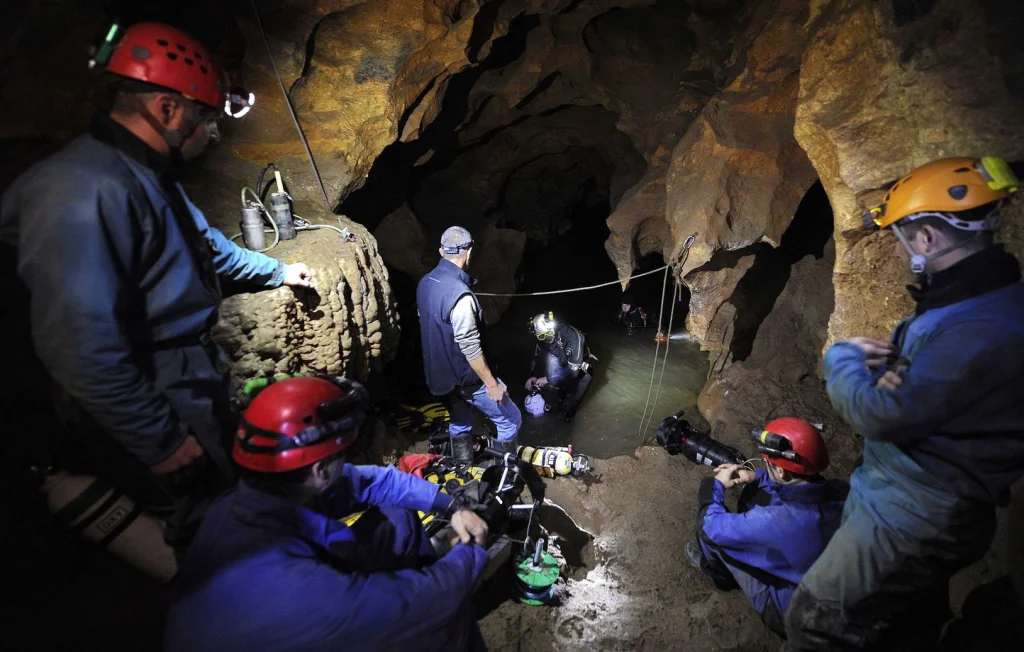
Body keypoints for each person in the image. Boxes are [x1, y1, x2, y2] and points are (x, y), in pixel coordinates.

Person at [0, 22, 314, 548]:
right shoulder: (80, 190)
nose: (214, 132)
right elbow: (76, 344)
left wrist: (279, 271)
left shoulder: (142, 176)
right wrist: (161, 439)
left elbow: (207, 247)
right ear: (169, 111)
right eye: (206, 116)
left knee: (237, 508)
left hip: (189, 374)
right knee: (208, 530)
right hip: (148, 385)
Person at [784, 157, 1024, 650]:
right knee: (903, 623)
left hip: (919, 510)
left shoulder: (978, 325)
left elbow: (881, 414)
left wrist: (843, 361)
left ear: (929, 239)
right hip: (911, 494)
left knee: (813, 620)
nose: (898, 254)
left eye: (900, 239)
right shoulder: (978, 303)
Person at [164, 375, 491, 652]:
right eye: (341, 451)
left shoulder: (252, 498)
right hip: (296, 617)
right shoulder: (305, 595)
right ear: (320, 469)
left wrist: (449, 505)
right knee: (445, 618)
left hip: (286, 603)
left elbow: (367, 481)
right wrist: (470, 549)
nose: (344, 458)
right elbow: (427, 599)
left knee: (399, 521)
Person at [686, 418, 848, 635]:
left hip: (797, 616)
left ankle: (719, 576)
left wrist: (714, 486)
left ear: (781, 472)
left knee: (715, 537)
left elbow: (711, 526)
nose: (768, 466)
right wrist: (757, 476)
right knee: (758, 493)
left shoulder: (774, 521)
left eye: (770, 465)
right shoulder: (843, 491)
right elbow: (797, 489)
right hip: (837, 591)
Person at [417, 226, 522, 462]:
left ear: (442, 251)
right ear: (468, 252)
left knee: (460, 420)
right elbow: (470, 346)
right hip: (465, 378)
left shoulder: (425, 283)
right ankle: (504, 478)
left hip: (439, 377)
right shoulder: (461, 295)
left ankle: (462, 466)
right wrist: (491, 384)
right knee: (510, 420)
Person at [526, 312, 594, 422]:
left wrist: (547, 379)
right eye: (541, 336)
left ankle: (567, 424)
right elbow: (537, 356)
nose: (546, 338)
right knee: (559, 398)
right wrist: (533, 375)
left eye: (548, 334)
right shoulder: (542, 338)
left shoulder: (573, 338)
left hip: (580, 372)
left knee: (565, 414)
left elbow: (573, 372)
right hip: (562, 368)